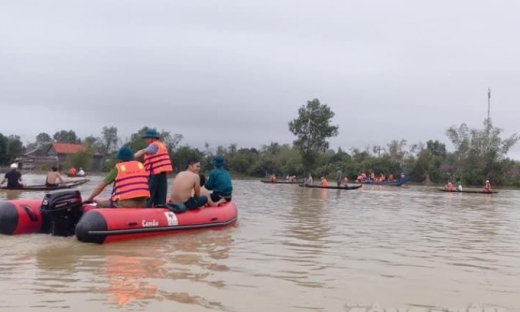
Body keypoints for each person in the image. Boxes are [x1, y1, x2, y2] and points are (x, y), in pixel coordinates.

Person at [86, 146, 150, 208]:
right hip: (143, 203)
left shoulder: (118, 168)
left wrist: (90, 198)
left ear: (120, 159)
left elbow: (101, 186)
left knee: (100, 204)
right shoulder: (140, 166)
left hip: (126, 203)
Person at [134, 129, 173, 207]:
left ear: (152, 138)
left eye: (147, 138)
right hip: (162, 174)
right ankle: (160, 207)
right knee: (161, 194)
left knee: (150, 194)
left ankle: (147, 209)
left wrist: (131, 157)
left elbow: (143, 151)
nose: (146, 140)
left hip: (154, 174)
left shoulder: (153, 146)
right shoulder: (162, 145)